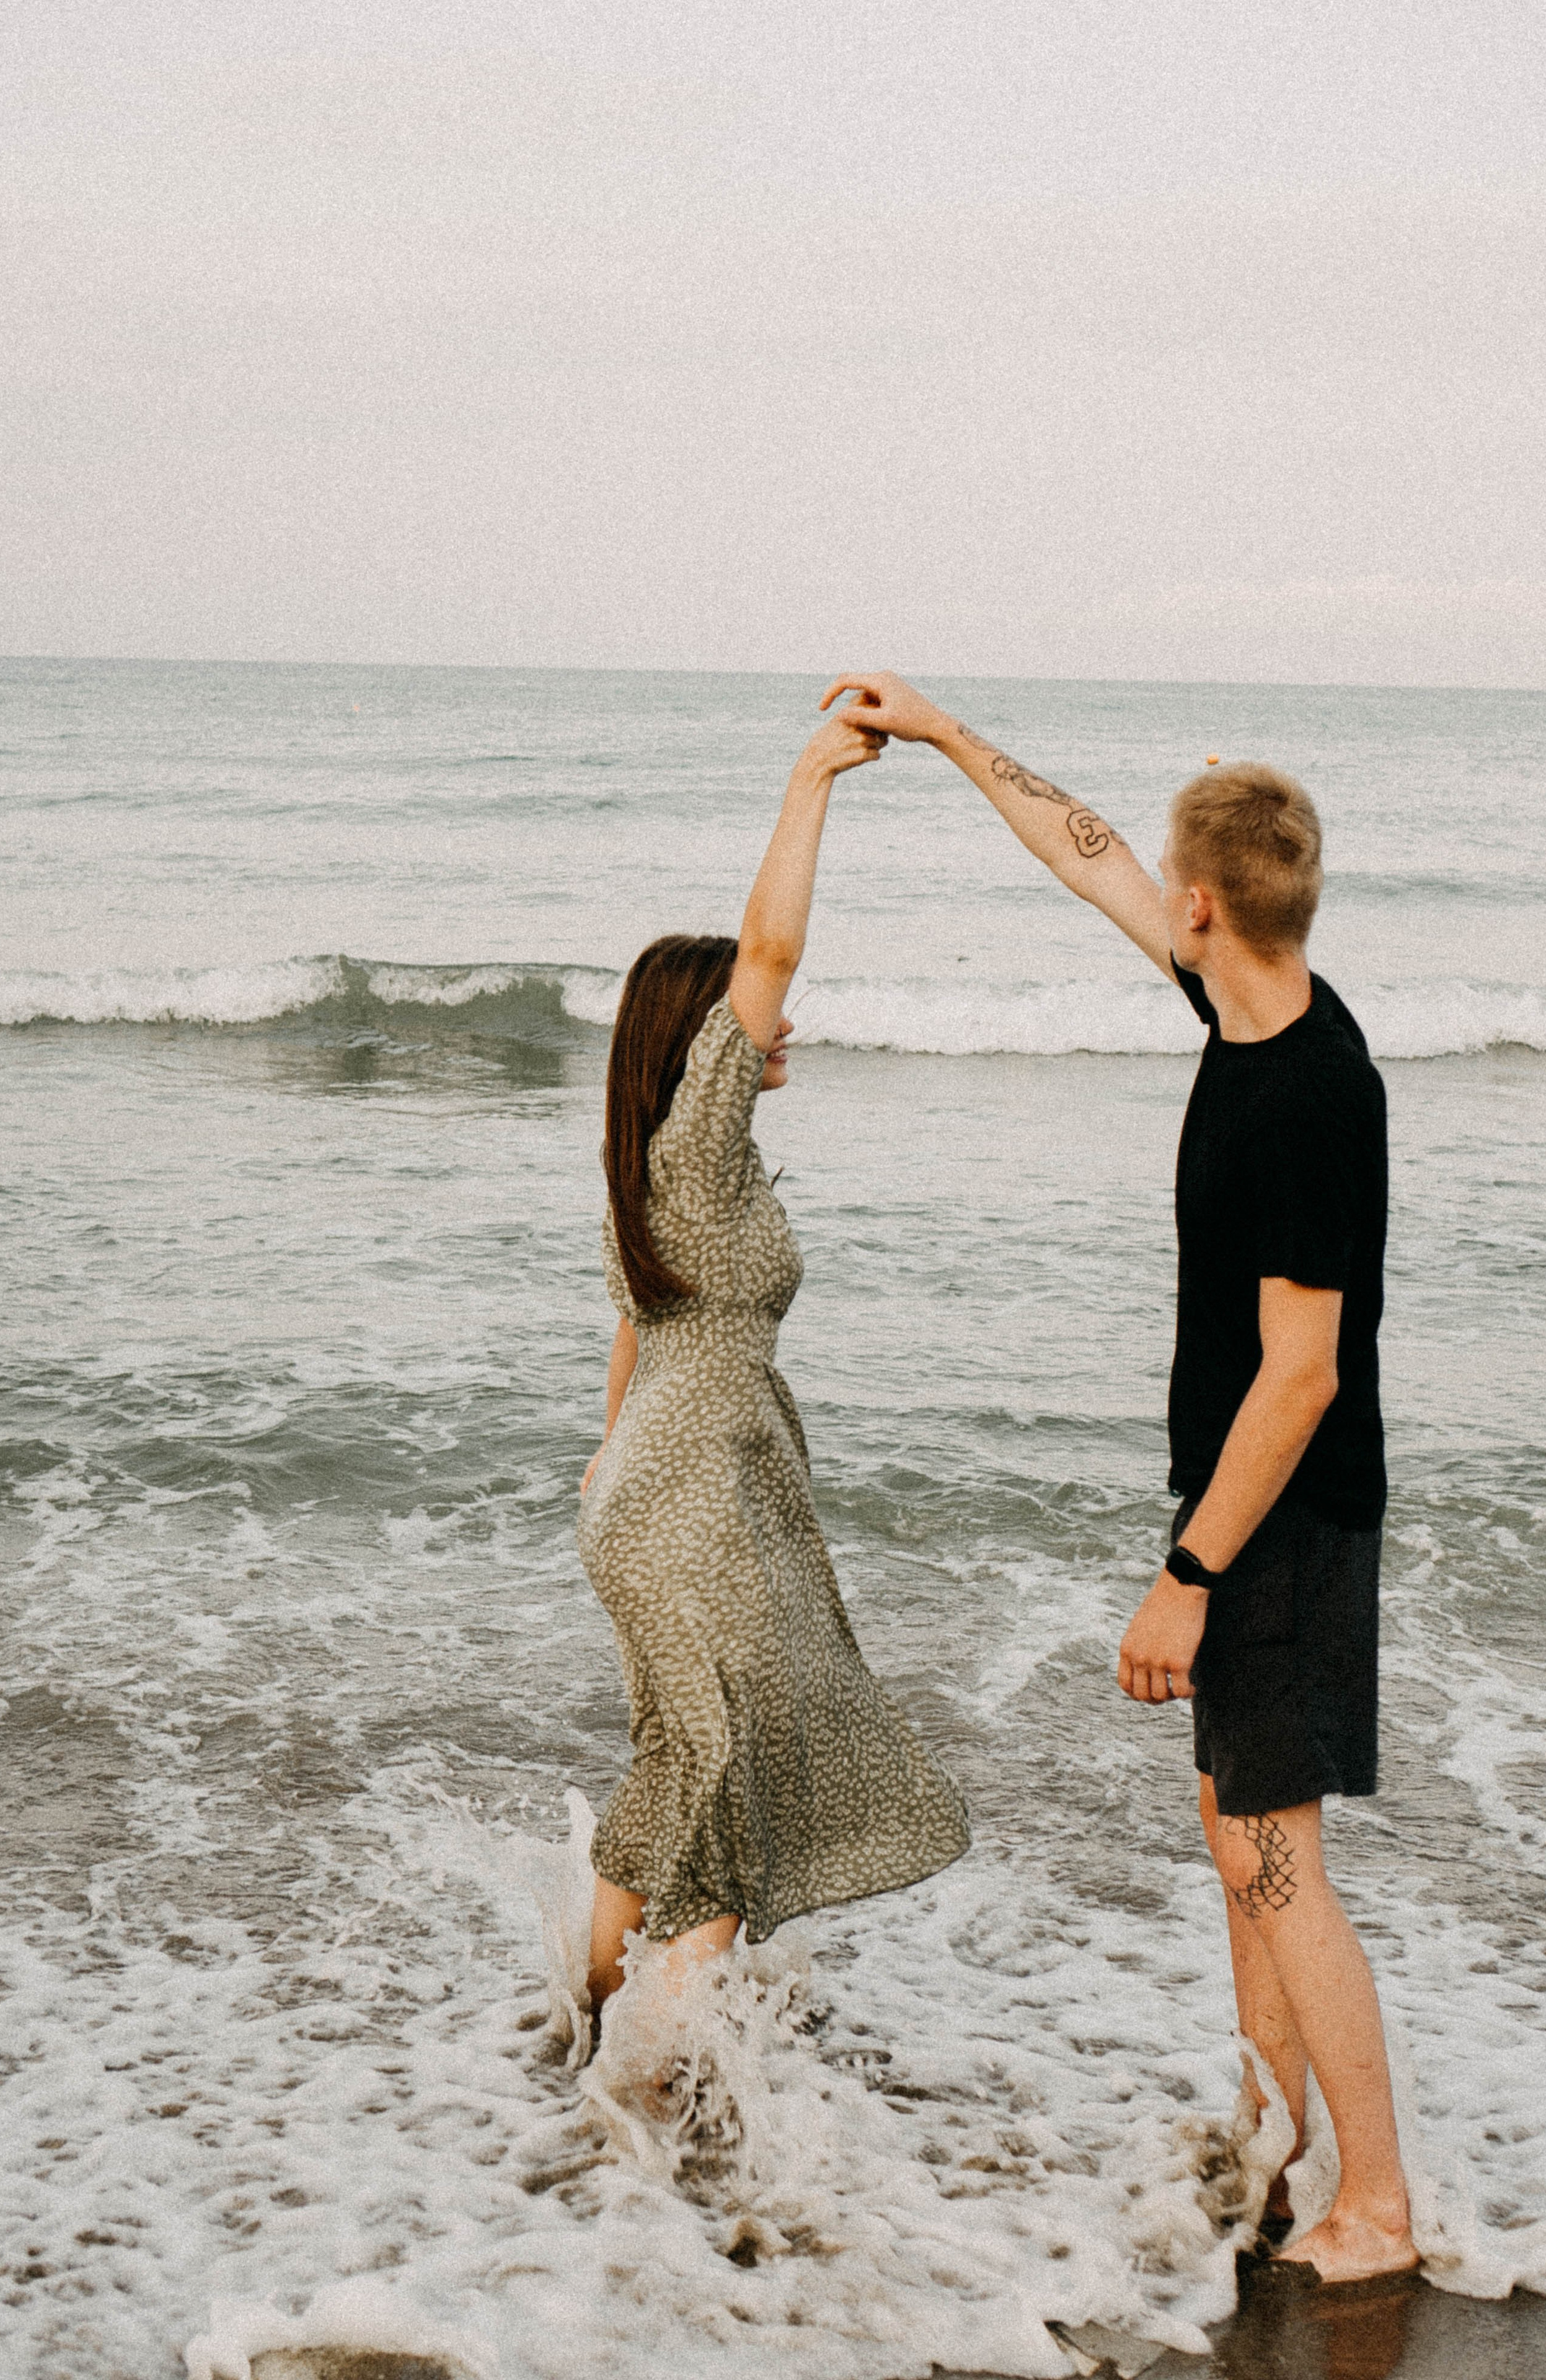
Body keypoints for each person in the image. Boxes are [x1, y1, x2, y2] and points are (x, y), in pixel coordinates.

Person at [816, 671, 1415, 2288]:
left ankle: (1382, 2206)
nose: (1151, 893)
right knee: (1245, 1855)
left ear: (1210, 904)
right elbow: (1082, 853)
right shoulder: (1248, 997)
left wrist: (1190, 1574)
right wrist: (940, 733)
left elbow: (1304, 1376)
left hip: (1276, 1526)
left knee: (1280, 1865)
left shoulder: (1305, 1096)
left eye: (1176, 881)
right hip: (1250, 1511)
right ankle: (1270, 2148)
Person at [576, 707, 971, 2021]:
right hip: (686, 1506)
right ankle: (663, 2091)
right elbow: (770, 945)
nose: (780, 1022)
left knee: (677, 1766)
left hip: (645, 1494)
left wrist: (602, 1459)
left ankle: (579, 2026)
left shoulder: (657, 1171)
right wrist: (812, 782)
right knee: (739, 1784)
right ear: (700, 1048)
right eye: (752, 1022)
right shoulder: (698, 1136)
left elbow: (635, 1328)